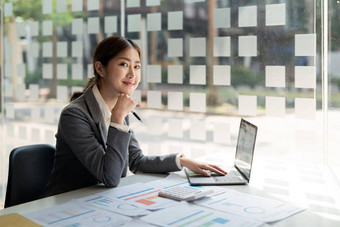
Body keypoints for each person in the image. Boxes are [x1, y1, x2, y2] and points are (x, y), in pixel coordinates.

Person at [42, 36, 226, 197]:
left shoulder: (119, 105)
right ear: (100, 68)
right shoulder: (74, 115)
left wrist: (181, 161)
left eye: (136, 66)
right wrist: (118, 119)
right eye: (123, 64)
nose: (132, 74)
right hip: (66, 204)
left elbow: (136, 161)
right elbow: (110, 177)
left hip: (101, 201)